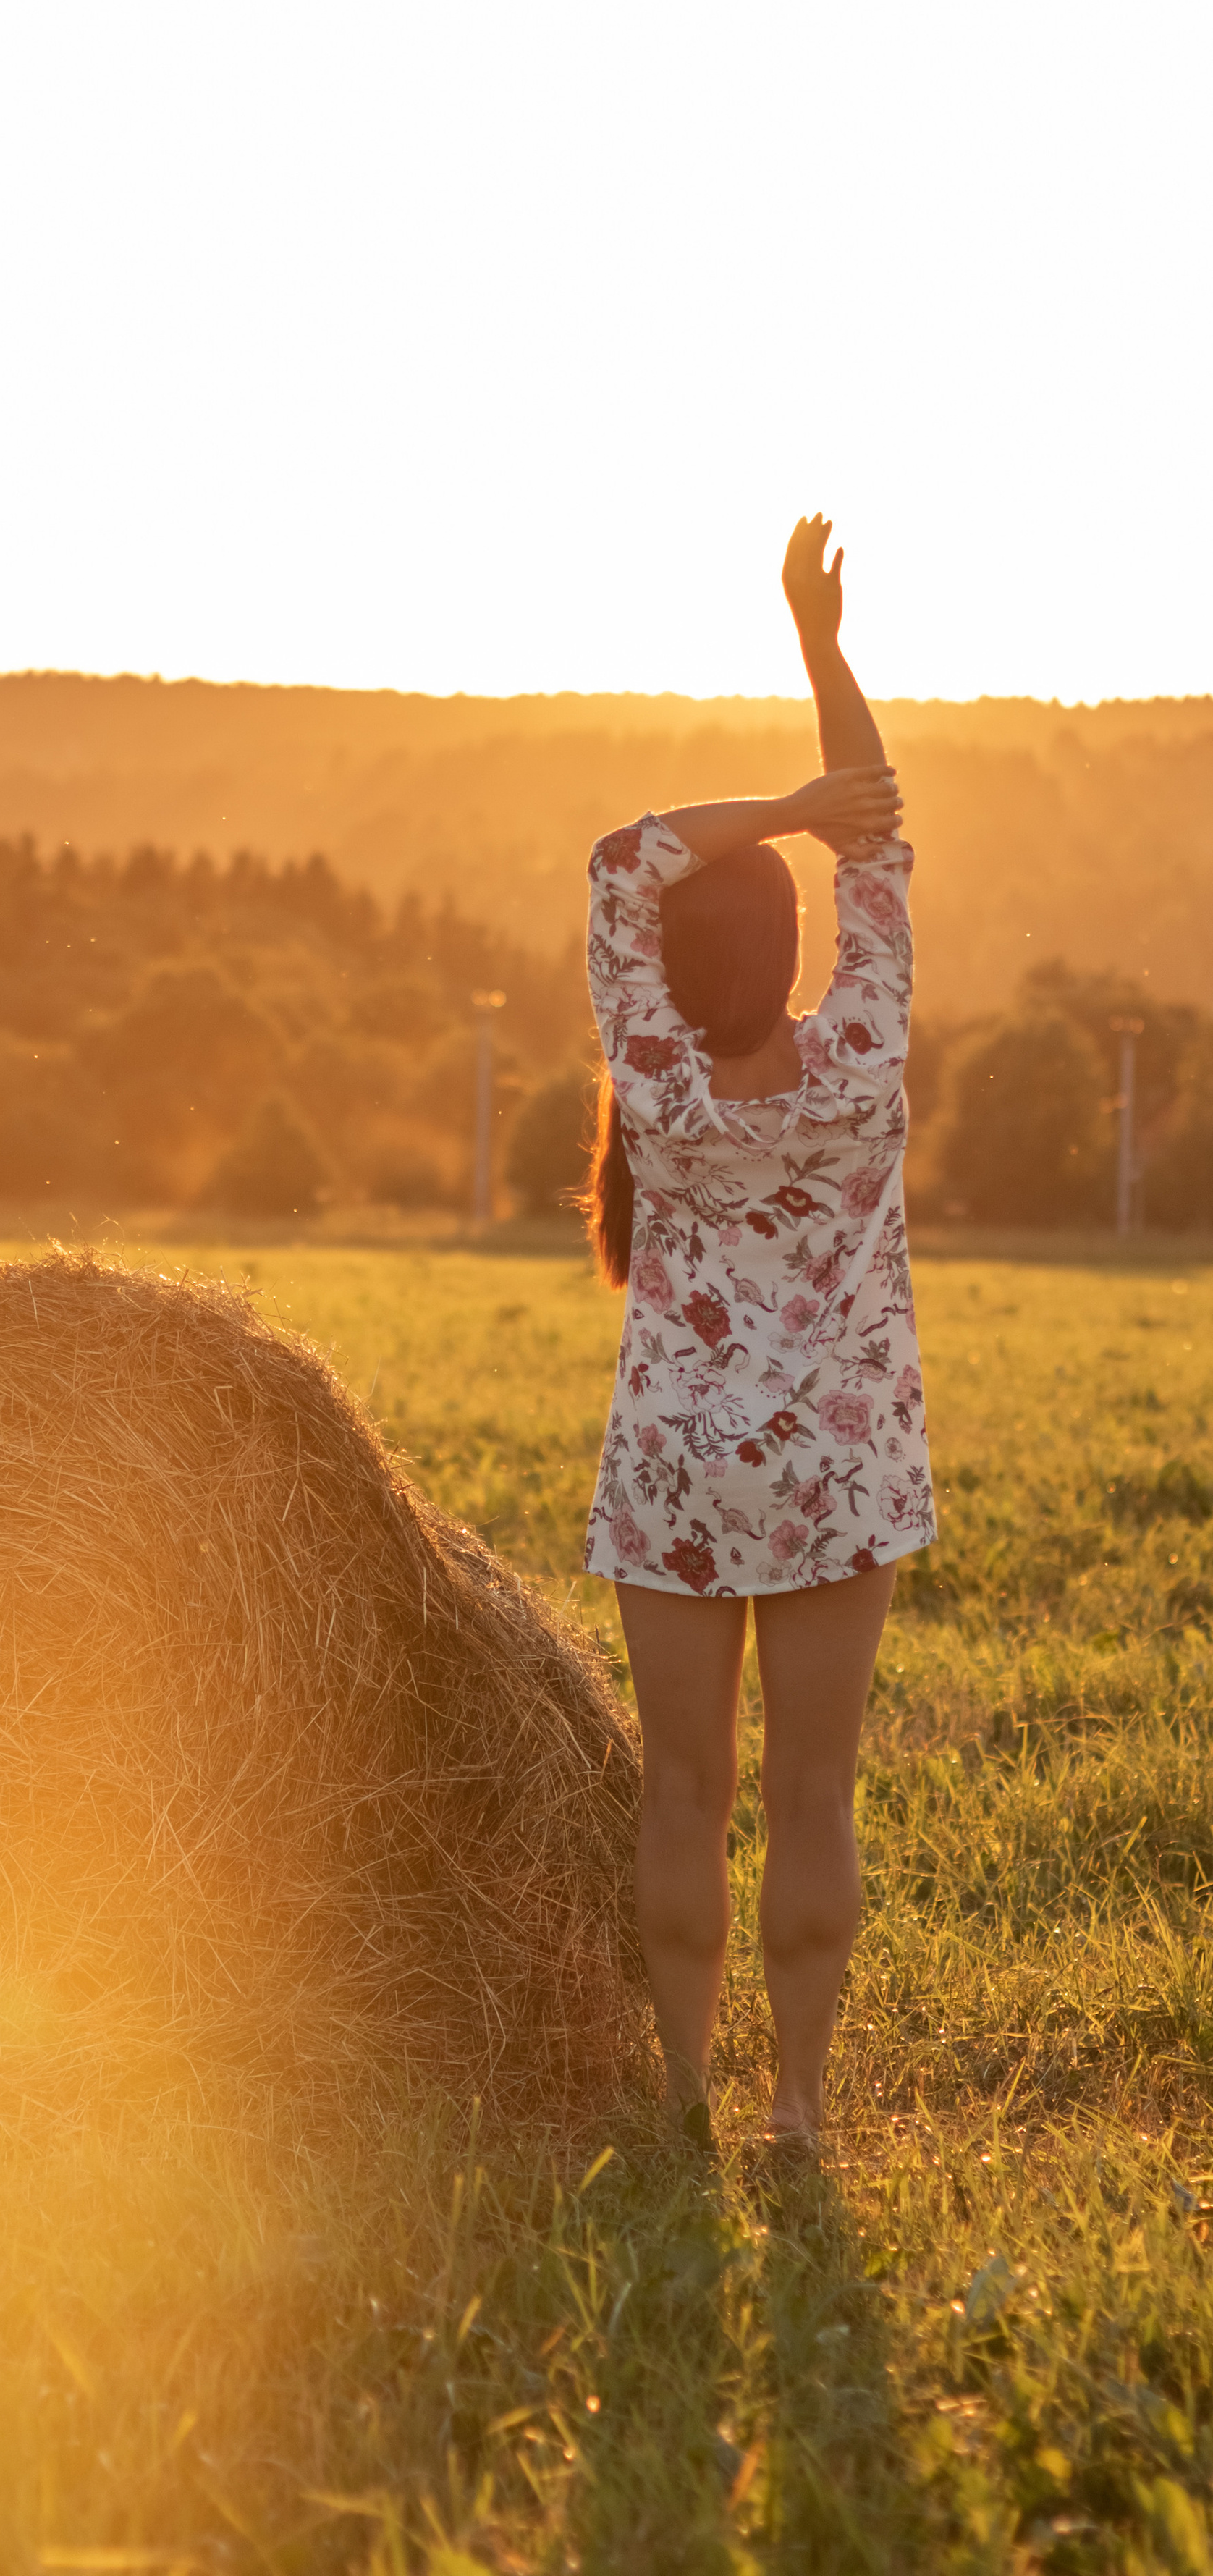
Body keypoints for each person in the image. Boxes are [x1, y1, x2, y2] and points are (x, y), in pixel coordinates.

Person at [581, 514, 934, 2143]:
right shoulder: (861, 1057)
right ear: (793, 951)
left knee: (681, 1792)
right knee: (808, 1798)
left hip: (672, 1482)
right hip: (836, 1485)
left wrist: (773, 812)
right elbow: (877, 844)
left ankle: (679, 2090)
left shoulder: (647, 1082)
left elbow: (618, 856)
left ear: (661, 969)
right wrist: (819, 650)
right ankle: (794, 2104)